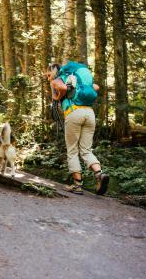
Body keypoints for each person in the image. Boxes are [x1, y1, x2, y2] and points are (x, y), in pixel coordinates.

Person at [48, 61, 109, 195]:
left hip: (74, 112)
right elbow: (96, 87)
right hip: (89, 114)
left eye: (48, 75)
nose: (48, 78)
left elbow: (62, 89)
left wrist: (56, 96)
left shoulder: (58, 79)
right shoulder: (77, 78)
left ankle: (77, 185)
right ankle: (99, 174)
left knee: (72, 150)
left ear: (53, 72)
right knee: (86, 150)